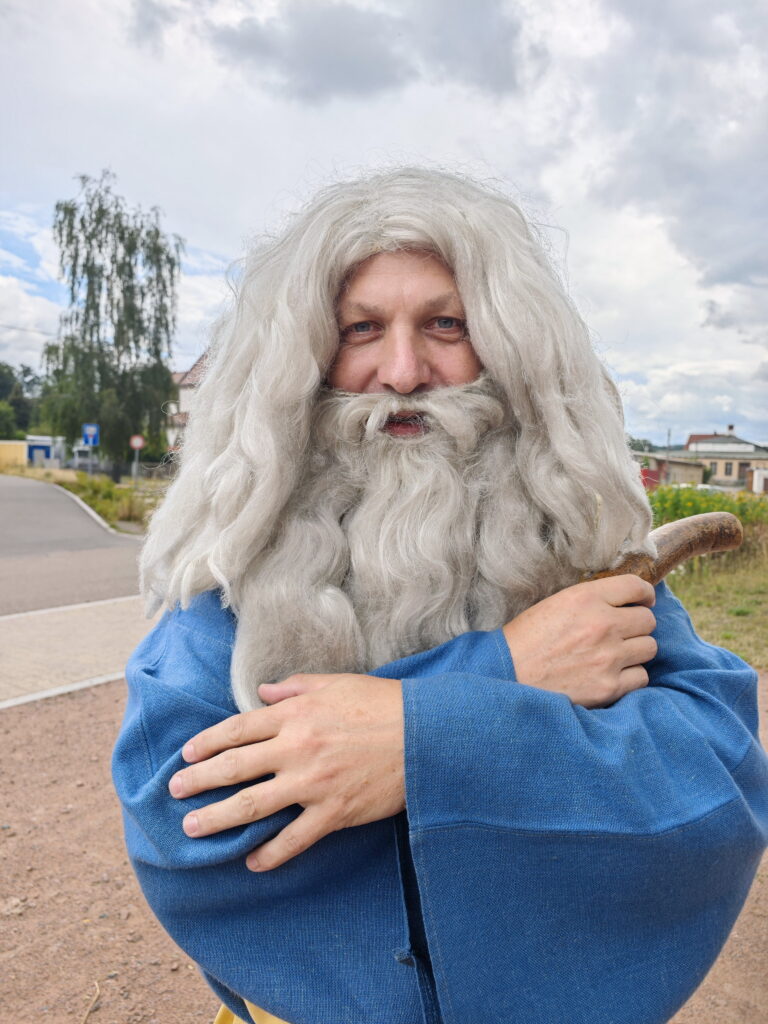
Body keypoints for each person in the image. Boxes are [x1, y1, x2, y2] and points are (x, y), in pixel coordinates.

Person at [113, 168, 768, 1024]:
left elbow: (713, 778)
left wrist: (416, 745)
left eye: (445, 325)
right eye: (361, 329)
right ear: (305, 357)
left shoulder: (580, 546)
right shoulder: (242, 560)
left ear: (507, 343)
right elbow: (176, 821)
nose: (404, 371)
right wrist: (490, 685)